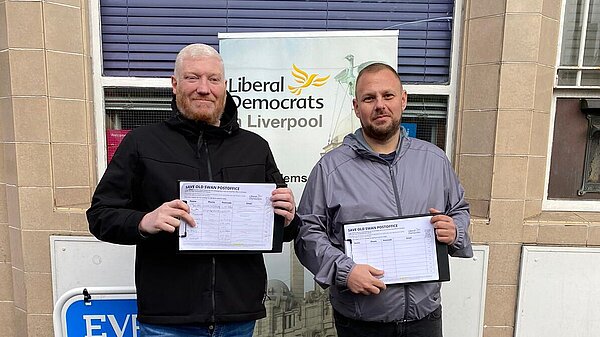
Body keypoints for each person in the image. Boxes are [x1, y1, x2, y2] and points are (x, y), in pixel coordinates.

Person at [87, 43, 300, 337]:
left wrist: (288, 217)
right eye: (192, 78)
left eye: (213, 79)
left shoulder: (254, 147)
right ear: (175, 85)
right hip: (168, 320)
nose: (204, 88)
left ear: (224, 86)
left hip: (238, 318)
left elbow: (287, 229)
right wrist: (144, 221)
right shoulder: (142, 143)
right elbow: (100, 216)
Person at [294, 62, 472, 337]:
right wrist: (345, 270)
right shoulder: (330, 169)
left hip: (425, 319)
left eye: (388, 96)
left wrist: (455, 230)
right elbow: (307, 234)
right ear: (356, 107)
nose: (380, 105)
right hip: (360, 323)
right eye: (369, 98)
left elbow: (459, 208)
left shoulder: (434, 160)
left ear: (403, 100)